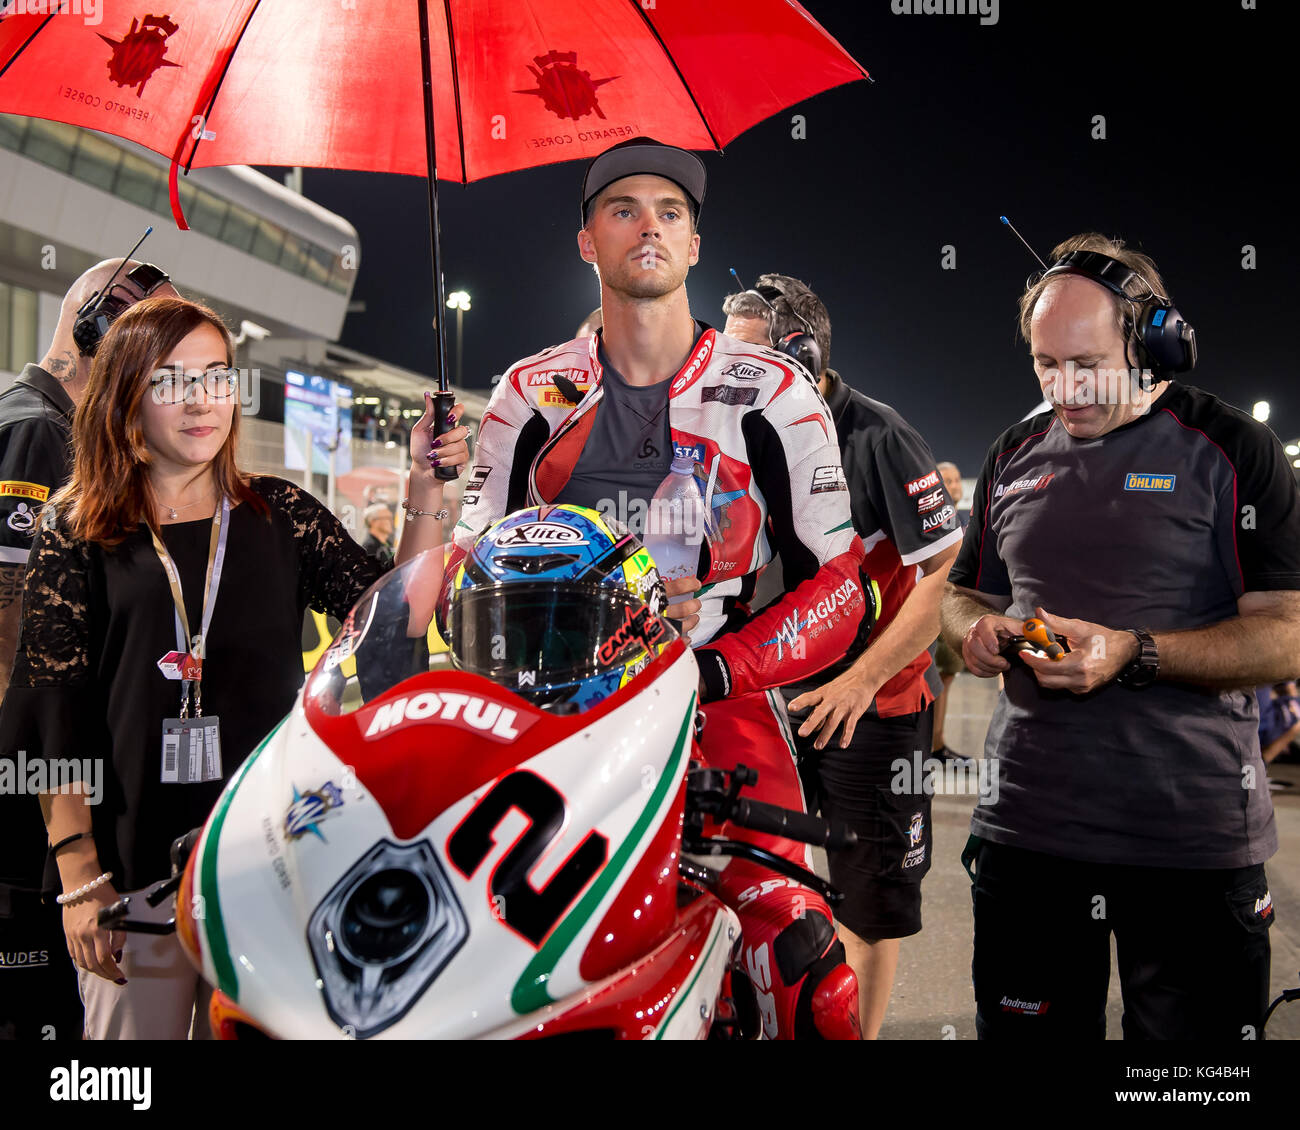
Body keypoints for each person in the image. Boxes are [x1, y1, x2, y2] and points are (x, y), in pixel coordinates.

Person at [439, 137, 873, 1039]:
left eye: (670, 212)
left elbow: (842, 589)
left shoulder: (775, 393)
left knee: (809, 980)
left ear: (695, 246)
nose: (649, 228)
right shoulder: (528, 393)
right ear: (586, 241)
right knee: (500, 968)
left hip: (721, 705)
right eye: (624, 209)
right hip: (551, 719)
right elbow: (463, 569)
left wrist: (716, 672)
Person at [0, 296, 468, 1040]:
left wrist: (424, 490)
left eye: (217, 377)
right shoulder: (74, 527)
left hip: (269, 870)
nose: (202, 400)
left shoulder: (281, 515)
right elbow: (54, 711)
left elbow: (397, 622)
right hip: (130, 881)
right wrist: (79, 873)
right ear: (125, 393)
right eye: (171, 380)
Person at [940, 232, 1300, 1040]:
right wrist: (979, 630)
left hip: (1193, 846)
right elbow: (961, 594)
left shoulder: (1236, 449)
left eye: (1086, 361)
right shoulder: (1013, 452)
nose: (1064, 387)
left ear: (1151, 342)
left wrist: (1133, 653)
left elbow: (1288, 636)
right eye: (1045, 363)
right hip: (1026, 840)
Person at [723, 274, 962, 1039]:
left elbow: (943, 572)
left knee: (866, 908)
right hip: (774, 704)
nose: (730, 377)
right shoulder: (737, 428)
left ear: (802, 352)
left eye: (747, 359)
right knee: (763, 893)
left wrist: (861, 680)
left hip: (875, 708)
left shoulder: (881, 435)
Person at [0, 258, 177, 1042]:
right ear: (97, 329)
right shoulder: (37, 433)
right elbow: (13, 648)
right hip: (27, 823)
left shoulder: (58, 434)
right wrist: (69, 843)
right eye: (150, 345)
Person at [930, 461, 972, 764]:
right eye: (947, 479)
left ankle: (937, 744)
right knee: (935, 682)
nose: (955, 486)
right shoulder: (934, 521)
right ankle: (932, 746)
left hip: (954, 609)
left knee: (944, 681)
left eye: (957, 480)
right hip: (935, 612)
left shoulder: (959, 520)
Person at [360, 501, 395, 565]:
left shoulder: (388, 543)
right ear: (373, 521)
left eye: (391, 518)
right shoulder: (369, 548)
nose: (391, 521)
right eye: (387, 518)